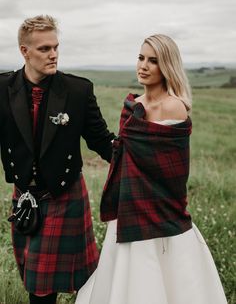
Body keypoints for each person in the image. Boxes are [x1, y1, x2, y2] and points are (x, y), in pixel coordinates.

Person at [75, 34, 227, 304]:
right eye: (141, 57)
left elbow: (172, 172)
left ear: (166, 66)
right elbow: (125, 156)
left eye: (153, 60)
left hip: (161, 208)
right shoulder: (134, 105)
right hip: (129, 203)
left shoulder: (174, 107)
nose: (143, 65)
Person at [0, 15, 114, 304]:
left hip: (64, 193)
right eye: (44, 49)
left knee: (44, 286)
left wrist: (139, 159)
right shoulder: (3, 89)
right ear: (24, 51)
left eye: (56, 47)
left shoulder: (77, 91)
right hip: (25, 194)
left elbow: (101, 140)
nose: (53, 55)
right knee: (34, 277)